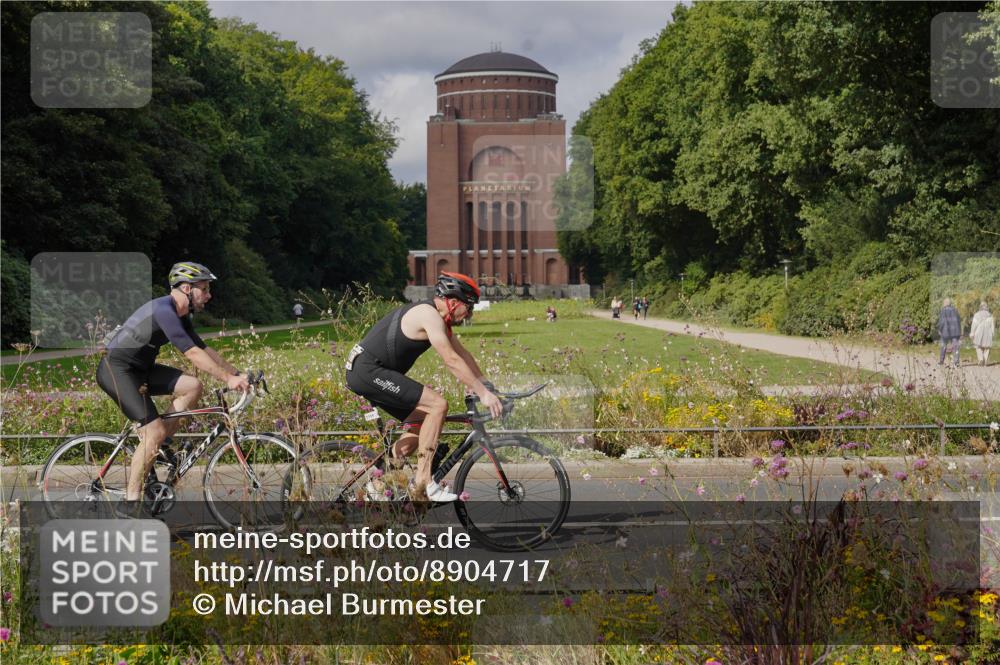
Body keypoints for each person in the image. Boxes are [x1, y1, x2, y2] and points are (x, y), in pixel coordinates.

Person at [97, 262, 249, 515]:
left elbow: (203, 348)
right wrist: (227, 379)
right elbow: (191, 353)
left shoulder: (181, 315)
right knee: (152, 433)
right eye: (205, 288)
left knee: (193, 385)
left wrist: (236, 373)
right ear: (187, 288)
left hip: (141, 369)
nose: (209, 295)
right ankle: (130, 502)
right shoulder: (164, 309)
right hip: (117, 371)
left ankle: (160, 445)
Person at [345, 272, 502, 502]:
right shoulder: (428, 315)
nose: (469, 314)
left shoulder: (440, 320)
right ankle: (424, 482)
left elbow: (463, 355)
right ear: (454, 302)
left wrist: (488, 387)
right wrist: (482, 393)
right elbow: (451, 359)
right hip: (367, 370)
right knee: (437, 406)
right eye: (469, 307)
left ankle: (377, 484)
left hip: (369, 371)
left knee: (421, 426)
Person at [936, 298, 962, 367]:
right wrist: (960, 331)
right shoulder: (955, 310)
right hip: (955, 332)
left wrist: (939, 329)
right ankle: (956, 362)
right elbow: (959, 320)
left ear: (944, 303)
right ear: (950, 303)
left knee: (943, 346)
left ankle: (941, 361)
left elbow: (941, 322)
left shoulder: (943, 311)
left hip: (945, 331)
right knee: (955, 346)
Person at [970, 301, 995, 366]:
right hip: (988, 333)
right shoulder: (990, 315)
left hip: (979, 332)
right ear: (986, 307)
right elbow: (992, 326)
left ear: (980, 307)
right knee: (987, 347)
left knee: (978, 346)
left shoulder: (976, 315)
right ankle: (985, 360)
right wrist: (992, 333)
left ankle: (981, 359)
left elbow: (974, 325)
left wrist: (972, 333)